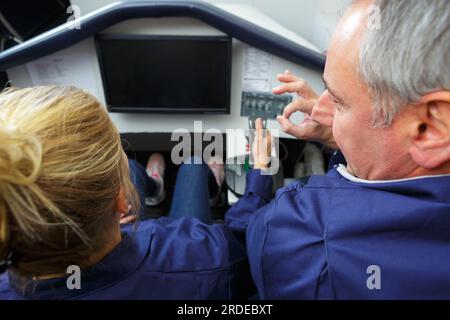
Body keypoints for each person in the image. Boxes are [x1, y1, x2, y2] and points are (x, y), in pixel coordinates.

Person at [227, 0, 450, 299]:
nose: (320, 111)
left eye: (338, 100)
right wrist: (338, 138)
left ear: (429, 129)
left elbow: (242, 243)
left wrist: (260, 170)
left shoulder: (307, 230)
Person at [0, 86, 254, 299]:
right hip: (175, 252)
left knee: (133, 168)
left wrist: (96, 228)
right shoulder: (205, 262)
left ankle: (155, 188)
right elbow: (247, 240)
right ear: (122, 200)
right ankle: (211, 189)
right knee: (194, 164)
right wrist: (261, 173)